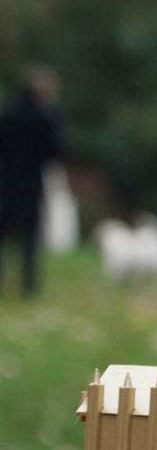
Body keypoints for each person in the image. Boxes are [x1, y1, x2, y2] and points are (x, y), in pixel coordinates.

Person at [0, 65, 65, 296]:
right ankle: (28, 285)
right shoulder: (45, 116)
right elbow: (56, 150)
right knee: (30, 235)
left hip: (6, 179)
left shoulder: (9, 112)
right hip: (31, 181)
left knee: (4, 233)